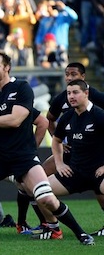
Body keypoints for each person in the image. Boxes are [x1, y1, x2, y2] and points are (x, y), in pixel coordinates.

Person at [0, 50, 94, 246]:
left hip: (23, 158)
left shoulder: (22, 87)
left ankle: (81, 234)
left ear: (7, 68)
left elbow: (16, 120)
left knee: (46, 198)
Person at [46, 79, 104, 238]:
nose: (71, 96)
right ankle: (54, 229)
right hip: (75, 172)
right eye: (69, 93)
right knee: (41, 191)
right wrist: (59, 164)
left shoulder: (99, 115)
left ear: (86, 93)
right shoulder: (67, 117)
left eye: (75, 92)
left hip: (98, 172)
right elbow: (56, 141)